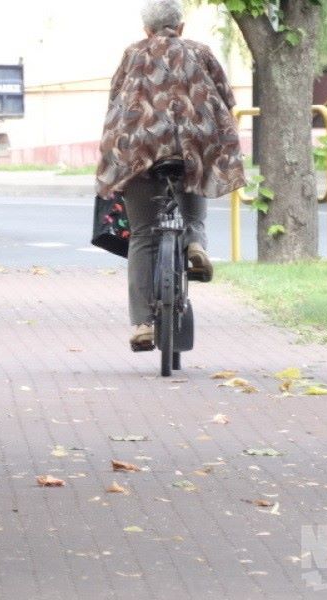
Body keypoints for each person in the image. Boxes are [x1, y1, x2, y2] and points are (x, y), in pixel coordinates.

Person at [95, 0, 246, 352]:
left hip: (140, 149)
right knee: (197, 170)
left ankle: (143, 325)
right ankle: (194, 241)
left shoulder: (133, 54)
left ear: (146, 30)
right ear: (181, 27)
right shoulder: (201, 52)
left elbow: (116, 99)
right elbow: (226, 99)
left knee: (144, 235)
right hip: (194, 144)